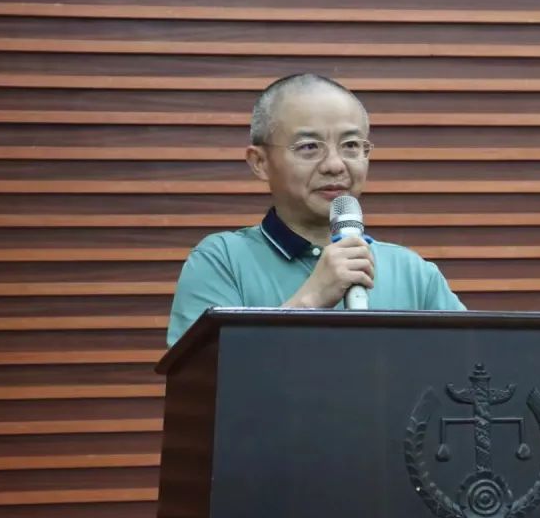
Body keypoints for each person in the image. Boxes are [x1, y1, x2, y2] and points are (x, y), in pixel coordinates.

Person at [166, 73, 465, 347]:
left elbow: (472, 367)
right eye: (309, 147)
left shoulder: (412, 272)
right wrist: (310, 300)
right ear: (260, 162)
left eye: (351, 145)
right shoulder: (222, 261)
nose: (335, 165)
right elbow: (206, 378)